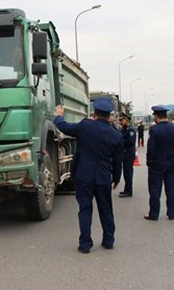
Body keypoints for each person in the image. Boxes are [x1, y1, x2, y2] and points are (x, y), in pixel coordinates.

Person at [54, 98, 123, 253]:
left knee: (85, 209)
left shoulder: (85, 126)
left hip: (84, 176)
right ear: (109, 115)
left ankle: (85, 244)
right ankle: (108, 240)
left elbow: (64, 127)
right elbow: (118, 162)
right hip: (104, 177)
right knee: (106, 209)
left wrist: (59, 115)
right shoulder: (116, 135)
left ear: (95, 113)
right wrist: (117, 178)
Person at [144, 105, 174, 221]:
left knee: (155, 190)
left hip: (157, 164)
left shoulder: (154, 130)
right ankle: (172, 213)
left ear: (157, 116)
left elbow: (151, 148)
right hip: (171, 164)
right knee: (171, 189)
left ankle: (154, 214)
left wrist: (149, 162)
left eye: (154, 116)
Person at [119, 112, 137, 198]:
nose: (121, 122)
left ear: (127, 120)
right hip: (124, 154)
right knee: (125, 173)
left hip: (129, 154)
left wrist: (120, 141)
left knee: (128, 173)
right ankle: (126, 189)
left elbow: (130, 142)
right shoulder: (123, 130)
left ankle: (129, 191)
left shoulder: (131, 130)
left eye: (122, 120)